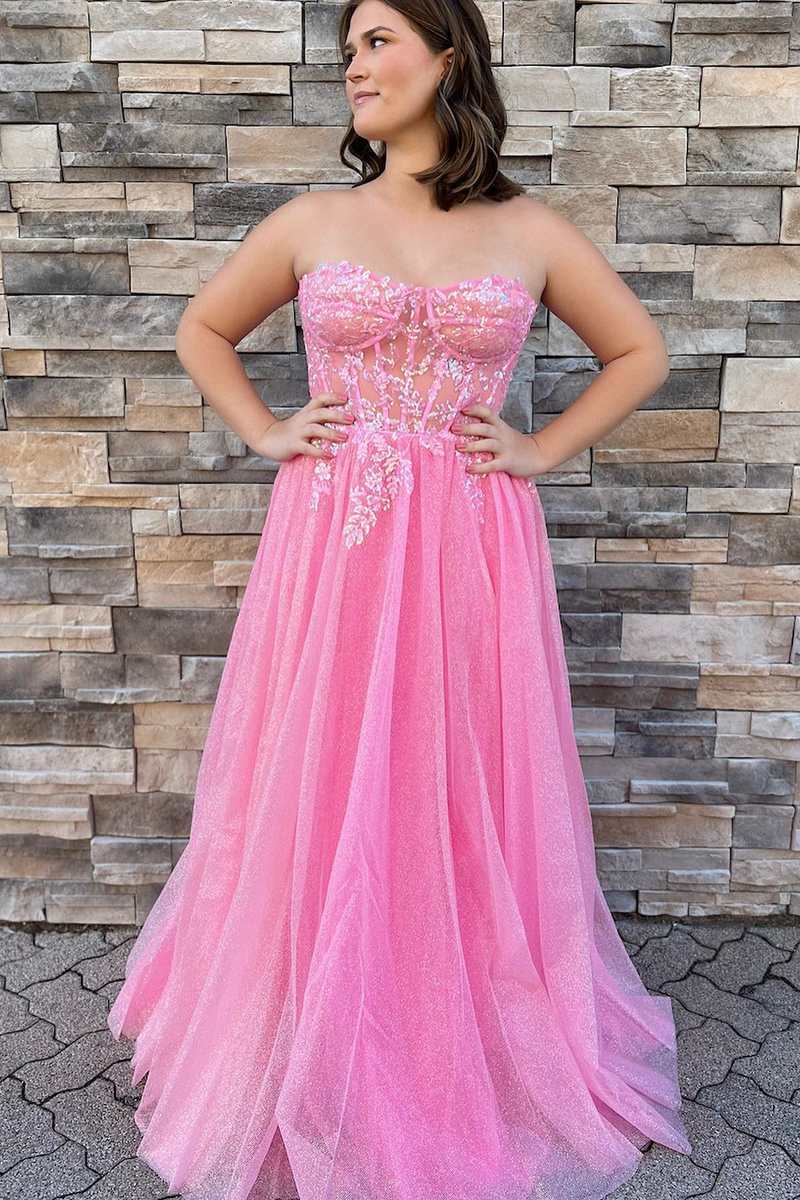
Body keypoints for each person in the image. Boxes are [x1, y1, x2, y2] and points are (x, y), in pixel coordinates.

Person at [106, 1, 692, 1197]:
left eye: (376, 42)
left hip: (472, 545)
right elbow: (203, 327)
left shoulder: (527, 229)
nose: (354, 68)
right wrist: (267, 427)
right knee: (326, 764)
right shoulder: (312, 220)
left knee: (453, 767)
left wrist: (538, 448)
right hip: (337, 542)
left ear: (447, 55)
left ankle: (450, 1019)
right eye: (347, 52)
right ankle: (303, 1020)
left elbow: (638, 351)